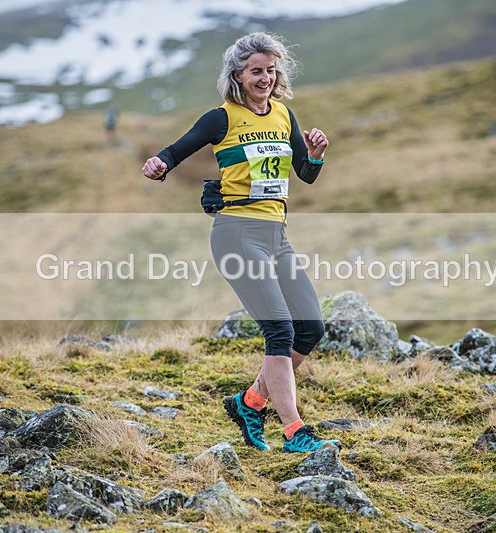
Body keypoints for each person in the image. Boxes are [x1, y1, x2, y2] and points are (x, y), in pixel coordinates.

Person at [142, 32, 338, 453]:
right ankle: (294, 432)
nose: (265, 78)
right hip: (236, 234)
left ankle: (250, 403)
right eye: (256, 71)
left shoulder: (284, 116)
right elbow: (176, 151)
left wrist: (316, 154)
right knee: (280, 330)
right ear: (237, 75)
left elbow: (304, 173)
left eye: (270, 70)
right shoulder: (222, 118)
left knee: (310, 328)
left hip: (276, 235)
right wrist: (159, 164)